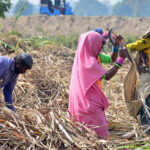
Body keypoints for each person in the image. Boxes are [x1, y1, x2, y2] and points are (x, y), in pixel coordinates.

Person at [69, 31, 127, 139]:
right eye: (99, 45)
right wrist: (121, 59)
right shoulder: (89, 62)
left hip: (82, 102)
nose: (100, 48)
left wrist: (116, 47)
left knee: (84, 136)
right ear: (92, 45)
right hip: (89, 104)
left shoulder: (85, 57)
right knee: (99, 137)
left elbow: (111, 59)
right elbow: (108, 76)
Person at [124, 30, 150, 130]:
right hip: (147, 76)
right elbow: (126, 49)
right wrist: (137, 66)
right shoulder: (145, 42)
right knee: (147, 101)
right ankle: (146, 128)